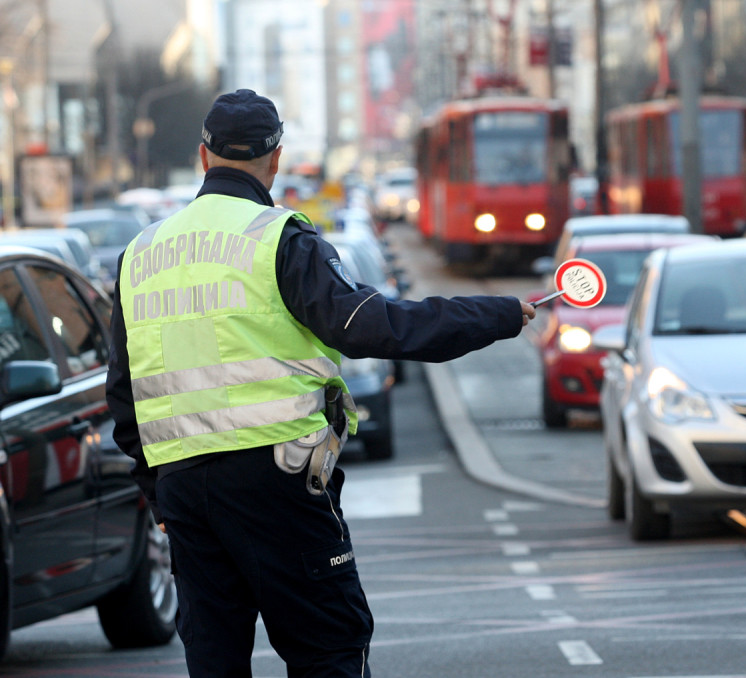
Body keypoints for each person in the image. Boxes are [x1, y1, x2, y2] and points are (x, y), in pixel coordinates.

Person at [106, 88, 536, 678]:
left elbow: (124, 396)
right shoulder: (279, 239)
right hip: (275, 482)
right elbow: (374, 329)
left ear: (203, 156)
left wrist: (158, 491)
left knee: (215, 659)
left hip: (184, 490)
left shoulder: (140, 254)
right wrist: (497, 314)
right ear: (275, 158)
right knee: (328, 647)